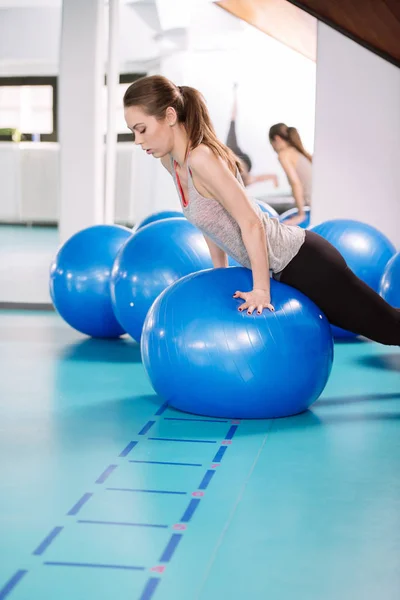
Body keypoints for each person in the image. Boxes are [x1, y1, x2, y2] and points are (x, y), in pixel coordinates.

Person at [123, 75, 399, 346]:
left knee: (389, 329)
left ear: (170, 116)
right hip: (283, 269)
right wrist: (219, 272)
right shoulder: (172, 162)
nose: (137, 140)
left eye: (141, 128)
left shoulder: (201, 158)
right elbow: (207, 219)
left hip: (302, 261)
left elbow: (251, 222)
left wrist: (261, 291)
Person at [226, 84, 278, 188]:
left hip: (234, 155)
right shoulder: (246, 179)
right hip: (240, 163)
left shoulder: (230, 151)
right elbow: (262, 177)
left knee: (233, 120)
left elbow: (233, 117)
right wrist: (273, 177)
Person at [269, 123, 312, 226]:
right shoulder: (298, 151)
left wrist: (301, 215)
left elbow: (295, 183)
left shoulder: (284, 154)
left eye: (271, 143)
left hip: (311, 205)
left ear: (277, 138)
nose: (273, 148)